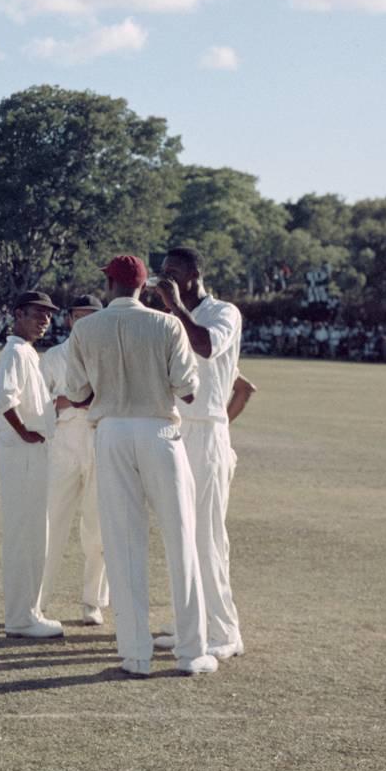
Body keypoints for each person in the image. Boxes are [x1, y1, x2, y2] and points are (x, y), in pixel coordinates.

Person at [65, 255, 216, 677]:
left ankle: (135, 654)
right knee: (180, 538)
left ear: (111, 285)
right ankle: (191, 652)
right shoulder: (166, 324)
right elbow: (188, 390)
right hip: (158, 431)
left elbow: (77, 394)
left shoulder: (86, 328)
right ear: (144, 286)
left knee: (123, 543)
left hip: (111, 431)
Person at [147, 249, 248, 661]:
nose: (166, 278)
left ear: (194, 274)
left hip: (208, 432)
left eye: (173, 272)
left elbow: (205, 346)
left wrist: (173, 307)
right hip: (175, 427)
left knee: (207, 535)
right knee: (178, 531)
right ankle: (189, 620)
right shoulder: (172, 319)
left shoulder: (224, 312)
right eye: (162, 273)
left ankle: (225, 631)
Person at [0, 292, 64, 640]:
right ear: (18, 314)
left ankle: (28, 612)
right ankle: (21, 617)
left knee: (36, 534)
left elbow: (31, 403)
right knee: (26, 535)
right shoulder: (15, 351)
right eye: (38, 314)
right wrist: (25, 433)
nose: (44, 321)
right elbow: (4, 401)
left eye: (48, 316)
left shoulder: (27, 353)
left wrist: (57, 405)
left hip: (32, 453)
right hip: (22, 455)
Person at [39, 293, 108, 627]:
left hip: (100, 443)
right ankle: (37, 601)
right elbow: (35, 408)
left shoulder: (111, 354)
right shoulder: (53, 357)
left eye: (91, 317)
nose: (84, 323)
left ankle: (92, 602)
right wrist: (63, 400)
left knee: (97, 529)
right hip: (63, 445)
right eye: (79, 317)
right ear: (69, 320)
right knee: (51, 524)